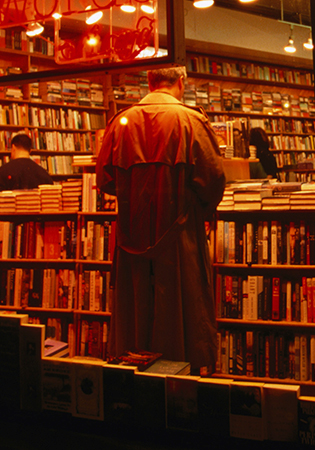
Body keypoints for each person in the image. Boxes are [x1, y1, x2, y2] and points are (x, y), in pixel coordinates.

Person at [96, 65, 226, 374]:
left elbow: (104, 180)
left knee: (135, 314)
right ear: (181, 82)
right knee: (181, 313)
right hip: (180, 235)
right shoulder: (190, 120)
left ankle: (133, 379)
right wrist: (198, 210)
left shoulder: (121, 122)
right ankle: (182, 384)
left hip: (132, 234)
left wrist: (136, 197)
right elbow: (213, 179)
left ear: (149, 82)